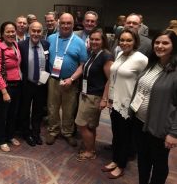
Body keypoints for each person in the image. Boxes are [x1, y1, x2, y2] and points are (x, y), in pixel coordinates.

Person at [130, 29, 177, 184]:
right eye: (157, 42)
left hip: (158, 127)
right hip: (139, 122)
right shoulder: (151, 64)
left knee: (159, 164)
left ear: (174, 45)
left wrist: (174, 133)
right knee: (143, 159)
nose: (160, 46)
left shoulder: (175, 71)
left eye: (165, 43)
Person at [102, 28, 148, 179]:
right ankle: (115, 160)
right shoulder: (120, 54)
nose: (124, 43)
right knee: (116, 135)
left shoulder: (141, 59)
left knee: (125, 137)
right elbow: (114, 78)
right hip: (115, 102)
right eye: (122, 40)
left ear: (135, 41)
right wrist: (109, 97)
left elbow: (146, 83)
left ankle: (121, 165)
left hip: (128, 105)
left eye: (129, 40)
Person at [46, 13, 87, 146]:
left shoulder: (79, 42)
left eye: (68, 23)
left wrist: (72, 78)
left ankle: (67, 132)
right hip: (53, 80)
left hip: (70, 81)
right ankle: (53, 131)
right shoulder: (51, 38)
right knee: (52, 107)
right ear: (58, 23)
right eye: (63, 23)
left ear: (73, 25)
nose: (65, 25)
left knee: (69, 109)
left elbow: (83, 65)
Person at [75, 28, 113, 161]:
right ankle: (90, 147)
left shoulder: (106, 56)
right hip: (87, 93)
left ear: (103, 41)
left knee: (81, 124)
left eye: (97, 39)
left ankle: (90, 151)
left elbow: (110, 79)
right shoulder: (92, 53)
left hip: (94, 96)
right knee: (90, 125)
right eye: (92, 39)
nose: (94, 41)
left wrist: (104, 99)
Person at [0, 21, 22, 152]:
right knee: (2, 115)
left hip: (17, 84)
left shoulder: (15, 44)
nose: (11, 34)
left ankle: (9, 136)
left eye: (13, 31)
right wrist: (4, 92)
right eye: (7, 31)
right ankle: (1, 140)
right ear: (2, 34)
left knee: (13, 113)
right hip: (5, 86)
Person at [18, 21, 50, 146]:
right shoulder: (21, 45)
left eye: (38, 31)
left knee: (38, 111)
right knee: (25, 110)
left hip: (41, 84)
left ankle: (36, 133)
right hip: (27, 83)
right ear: (29, 31)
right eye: (33, 31)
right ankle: (26, 133)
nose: (36, 33)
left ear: (42, 32)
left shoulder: (46, 44)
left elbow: (48, 64)